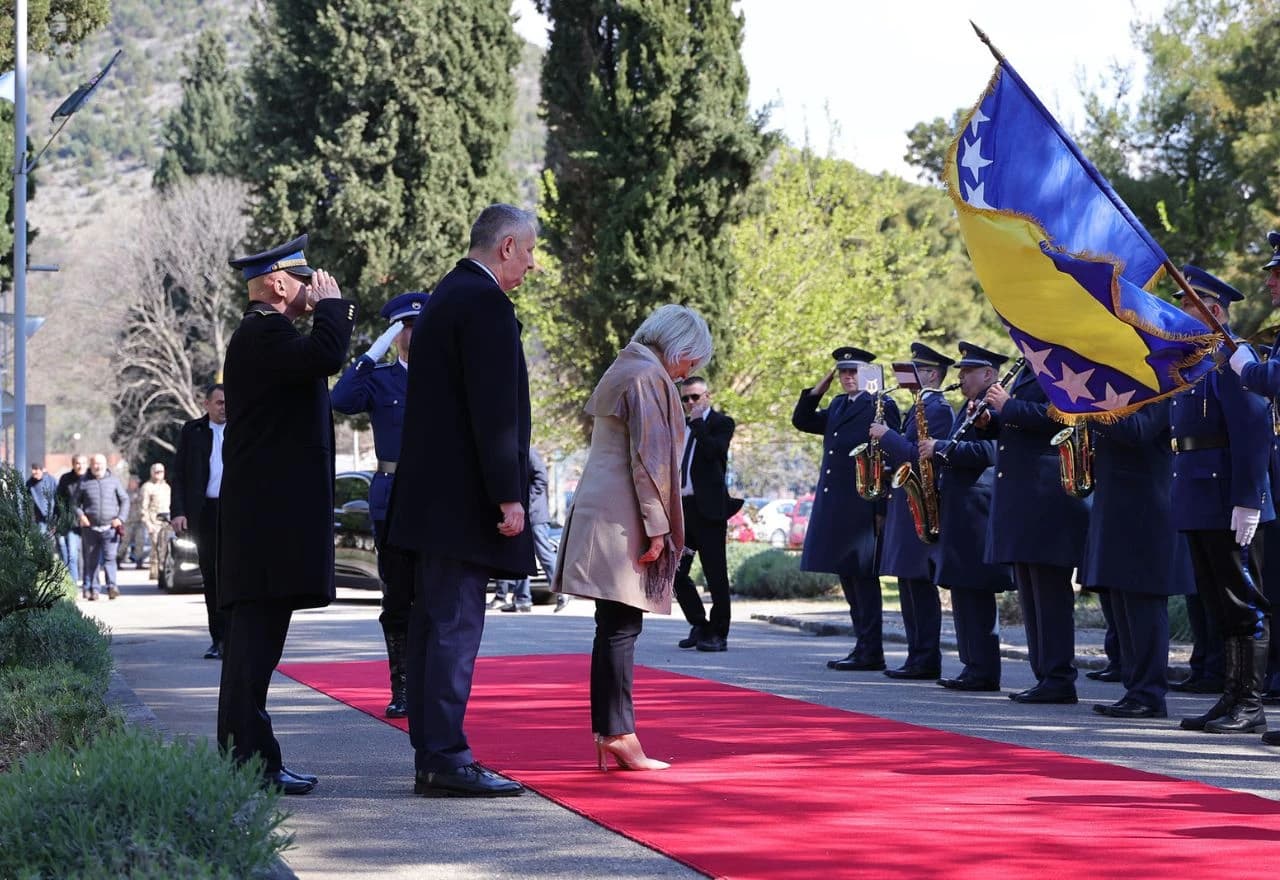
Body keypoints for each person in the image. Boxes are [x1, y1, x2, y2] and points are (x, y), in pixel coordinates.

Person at [386, 205, 537, 798]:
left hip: (430, 501)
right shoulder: (485, 303)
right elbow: (495, 412)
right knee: (453, 630)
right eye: (528, 251)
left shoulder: (445, 295)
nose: (531, 264)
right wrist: (509, 495)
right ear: (506, 246)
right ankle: (445, 757)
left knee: (432, 628)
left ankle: (433, 753)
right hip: (463, 503)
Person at [218, 234, 355, 796]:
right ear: (277, 283)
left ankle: (253, 760)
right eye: (302, 279)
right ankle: (250, 763)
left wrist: (326, 313)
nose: (311, 286)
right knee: (252, 654)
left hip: (266, 524)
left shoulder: (267, 336)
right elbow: (325, 355)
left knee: (256, 653)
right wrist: (333, 308)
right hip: (264, 528)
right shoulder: (263, 333)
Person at [553, 304, 710, 772]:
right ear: (679, 346)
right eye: (692, 359)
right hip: (624, 516)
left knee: (613, 626)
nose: (689, 371)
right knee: (622, 627)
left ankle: (610, 732)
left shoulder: (627, 365)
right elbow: (649, 459)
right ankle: (619, 734)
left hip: (606, 509)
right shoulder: (647, 375)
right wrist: (658, 528)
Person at [1173, 265, 1273, 737]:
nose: (1178, 313)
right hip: (1199, 495)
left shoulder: (1234, 358)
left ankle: (1250, 702)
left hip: (1228, 496)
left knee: (1242, 602)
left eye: (1186, 305)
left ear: (1212, 311)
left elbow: (1253, 432)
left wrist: (1249, 498)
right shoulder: (1193, 362)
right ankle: (1232, 695)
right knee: (1217, 600)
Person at [330, 291, 426, 716]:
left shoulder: (447, 376)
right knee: (398, 599)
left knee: (436, 600)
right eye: (406, 328)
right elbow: (340, 400)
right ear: (395, 334)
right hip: (393, 498)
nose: (414, 335)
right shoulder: (381, 378)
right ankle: (402, 688)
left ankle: (433, 686)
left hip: (437, 499)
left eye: (421, 327)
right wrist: (371, 354)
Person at [980, 342, 1091, 705]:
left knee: (1049, 594)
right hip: (1024, 498)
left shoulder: (1060, 364)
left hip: (1048, 497)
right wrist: (990, 421)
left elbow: (1064, 414)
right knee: (1030, 591)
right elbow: (1017, 427)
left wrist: (1008, 406)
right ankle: (1044, 674)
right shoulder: (1029, 367)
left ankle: (1059, 677)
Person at [793, 347, 901, 671]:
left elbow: (887, 457)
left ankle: (872, 650)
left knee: (864, 581)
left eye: (854, 371)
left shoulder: (881, 405)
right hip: (837, 505)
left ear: (866, 373)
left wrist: (881, 508)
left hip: (863, 505)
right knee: (849, 580)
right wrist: (816, 391)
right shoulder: (839, 404)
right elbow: (802, 420)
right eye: (842, 372)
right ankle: (862, 646)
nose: (848, 377)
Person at [1084, 402, 1194, 719]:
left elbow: (1137, 430)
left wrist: (1085, 407)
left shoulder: (1160, 386)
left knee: (1143, 605)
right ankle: (1135, 689)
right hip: (1119, 503)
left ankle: (1149, 694)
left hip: (1146, 506)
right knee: (1122, 603)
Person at [919, 342, 1013, 691]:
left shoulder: (995, 403)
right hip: (961, 507)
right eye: (961, 371)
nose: (961, 378)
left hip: (978, 508)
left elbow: (992, 451)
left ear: (988, 374)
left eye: (968, 372)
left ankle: (984, 670)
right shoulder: (971, 403)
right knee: (962, 589)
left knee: (975, 591)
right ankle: (972, 665)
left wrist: (940, 447)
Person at [870, 342, 956, 679]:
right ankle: (915, 655)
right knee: (908, 583)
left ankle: (925, 658)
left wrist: (886, 436)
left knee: (919, 585)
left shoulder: (938, 408)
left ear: (933, 374)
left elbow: (921, 456)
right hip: (906, 503)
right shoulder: (921, 405)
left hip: (921, 503)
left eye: (917, 370)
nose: (908, 375)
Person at [671, 375, 742, 653]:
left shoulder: (721, 423)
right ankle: (699, 624)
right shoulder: (680, 426)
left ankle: (718, 632)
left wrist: (698, 423)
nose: (690, 403)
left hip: (709, 512)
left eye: (695, 397)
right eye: (685, 398)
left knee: (715, 575)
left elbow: (715, 451)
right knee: (675, 572)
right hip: (683, 511)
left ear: (707, 396)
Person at [171, 385, 228, 660]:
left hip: (235, 513)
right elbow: (179, 475)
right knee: (212, 577)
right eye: (219, 402)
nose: (224, 407)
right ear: (206, 404)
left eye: (228, 402)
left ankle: (236, 638)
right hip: (205, 512)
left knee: (234, 576)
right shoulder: (192, 431)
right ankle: (218, 638)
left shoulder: (243, 430)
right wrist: (178, 512)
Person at [492, 448, 562, 614]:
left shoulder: (528, 451)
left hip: (534, 514)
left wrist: (525, 500)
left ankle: (562, 592)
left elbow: (541, 477)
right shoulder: (513, 451)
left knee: (544, 554)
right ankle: (522, 599)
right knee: (520, 554)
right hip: (521, 513)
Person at [75, 454, 129, 601]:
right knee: (92, 561)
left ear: (105, 465)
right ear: (91, 465)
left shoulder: (114, 481)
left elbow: (125, 500)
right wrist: (81, 516)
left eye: (100, 464)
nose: (97, 467)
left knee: (110, 558)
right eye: (95, 464)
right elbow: (74, 503)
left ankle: (112, 587)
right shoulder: (84, 482)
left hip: (110, 528)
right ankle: (94, 590)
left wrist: (120, 518)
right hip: (90, 529)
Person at [54, 455, 88, 586]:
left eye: (83, 463)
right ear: (73, 464)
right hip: (71, 522)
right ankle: (73, 584)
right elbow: (58, 500)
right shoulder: (66, 479)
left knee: (87, 554)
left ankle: (88, 583)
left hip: (89, 522)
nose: (80, 466)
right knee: (72, 553)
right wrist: (56, 519)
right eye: (78, 463)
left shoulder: (91, 478)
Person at [139, 463, 170, 578]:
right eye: (156, 472)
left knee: (166, 549)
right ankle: (155, 574)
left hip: (166, 523)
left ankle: (164, 573)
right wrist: (148, 524)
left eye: (161, 472)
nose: (159, 474)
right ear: (152, 473)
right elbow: (143, 507)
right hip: (154, 522)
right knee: (156, 549)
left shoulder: (166, 487)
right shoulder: (147, 487)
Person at [117, 476, 146, 569]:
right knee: (124, 542)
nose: (137, 484)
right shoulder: (124, 493)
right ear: (130, 483)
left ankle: (139, 561)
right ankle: (118, 560)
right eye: (135, 482)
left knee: (140, 542)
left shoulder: (140, 492)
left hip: (139, 521)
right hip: (127, 522)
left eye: (137, 483)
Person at [26, 463, 57, 538]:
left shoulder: (51, 480)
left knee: (59, 539)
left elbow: (58, 495)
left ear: (42, 471)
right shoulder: (29, 483)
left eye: (36, 472)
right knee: (43, 537)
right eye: (33, 473)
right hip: (40, 516)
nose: (35, 474)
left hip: (53, 514)